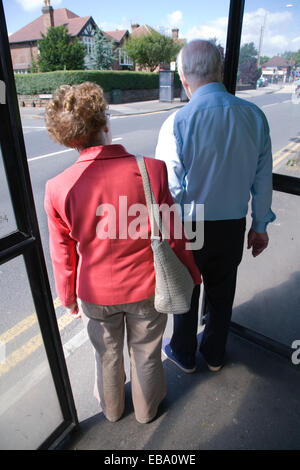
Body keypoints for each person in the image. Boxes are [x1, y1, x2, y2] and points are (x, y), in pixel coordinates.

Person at [44, 82, 201, 424]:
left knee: (107, 356)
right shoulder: (152, 170)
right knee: (145, 354)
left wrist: (67, 296)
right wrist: (191, 271)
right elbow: (174, 233)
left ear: (69, 139)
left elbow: (63, 253)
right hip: (146, 287)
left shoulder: (57, 188)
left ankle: (112, 411)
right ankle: (147, 412)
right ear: (105, 123)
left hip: (94, 294)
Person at [156, 40, 276, 373]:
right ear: (219, 70)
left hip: (192, 225)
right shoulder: (254, 116)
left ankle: (183, 351)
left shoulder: (177, 122)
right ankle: (214, 353)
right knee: (222, 293)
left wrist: (169, 236)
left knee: (187, 291)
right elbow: (262, 179)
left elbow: (171, 189)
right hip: (233, 223)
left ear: (183, 77)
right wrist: (260, 226)